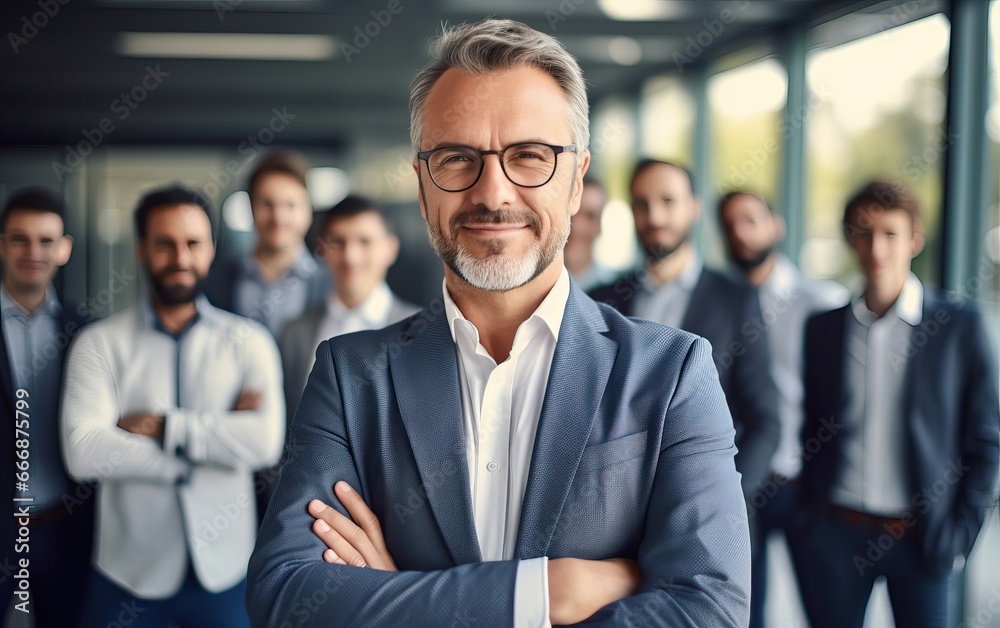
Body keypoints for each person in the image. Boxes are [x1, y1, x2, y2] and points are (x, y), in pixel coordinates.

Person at [248, 19, 750, 627]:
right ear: (422, 185)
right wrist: (548, 592)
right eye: (458, 159)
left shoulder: (671, 373)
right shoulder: (351, 375)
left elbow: (708, 610)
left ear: (576, 182)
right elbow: (288, 597)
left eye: (530, 157)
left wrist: (401, 596)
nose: (493, 192)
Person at [61, 185, 285, 627]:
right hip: (126, 574)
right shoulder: (99, 343)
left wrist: (165, 428)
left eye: (193, 244)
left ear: (211, 249)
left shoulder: (248, 341)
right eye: (165, 243)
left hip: (226, 573)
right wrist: (201, 455)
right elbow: (83, 451)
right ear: (142, 249)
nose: (180, 258)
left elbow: (264, 444)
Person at [795, 181, 999, 628]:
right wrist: (807, 520)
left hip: (922, 538)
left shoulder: (958, 327)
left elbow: (985, 441)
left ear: (915, 240)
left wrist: (960, 537)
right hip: (836, 533)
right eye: (864, 232)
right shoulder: (824, 330)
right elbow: (812, 427)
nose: (877, 248)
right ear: (850, 238)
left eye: (890, 233)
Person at [589, 160, 781, 498]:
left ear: (694, 208)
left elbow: (765, 420)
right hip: (615, 502)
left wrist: (730, 496)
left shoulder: (736, 299)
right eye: (642, 204)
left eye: (668, 201)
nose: (655, 217)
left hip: (708, 501)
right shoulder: (602, 302)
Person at [717, 191, 849, 628]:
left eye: (750, 220)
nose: (739, 232)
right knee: (745, 611)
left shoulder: (822, 302)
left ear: (777, 225)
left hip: (805, 485)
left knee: (826, 609)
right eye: (730, 223)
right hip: (741, 483)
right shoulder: (714, 305)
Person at [0, 186, 92, 627]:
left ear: (65, 249)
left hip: (62, 525)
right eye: (20, 238)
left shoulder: (87, 331)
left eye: (46, 240)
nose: (33, 251)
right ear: (2, 244)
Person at [281, 195, 420, 420]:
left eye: (365, 241)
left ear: (390, 249)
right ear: (322, 249)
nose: (350, 257)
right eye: (338, 241)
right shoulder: (294, 334)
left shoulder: (423, 332)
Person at [205, 150, 330, 338]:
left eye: (290, 205)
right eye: (267, 204)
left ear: (308, 211)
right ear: (250, 208)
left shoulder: (331, 283)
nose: (278, 217)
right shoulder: (217, 280)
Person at [563, 177, 616, 291]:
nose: (576, 226)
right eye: (570, 211)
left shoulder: (614, 292)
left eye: (590, 216)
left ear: (600, 227)